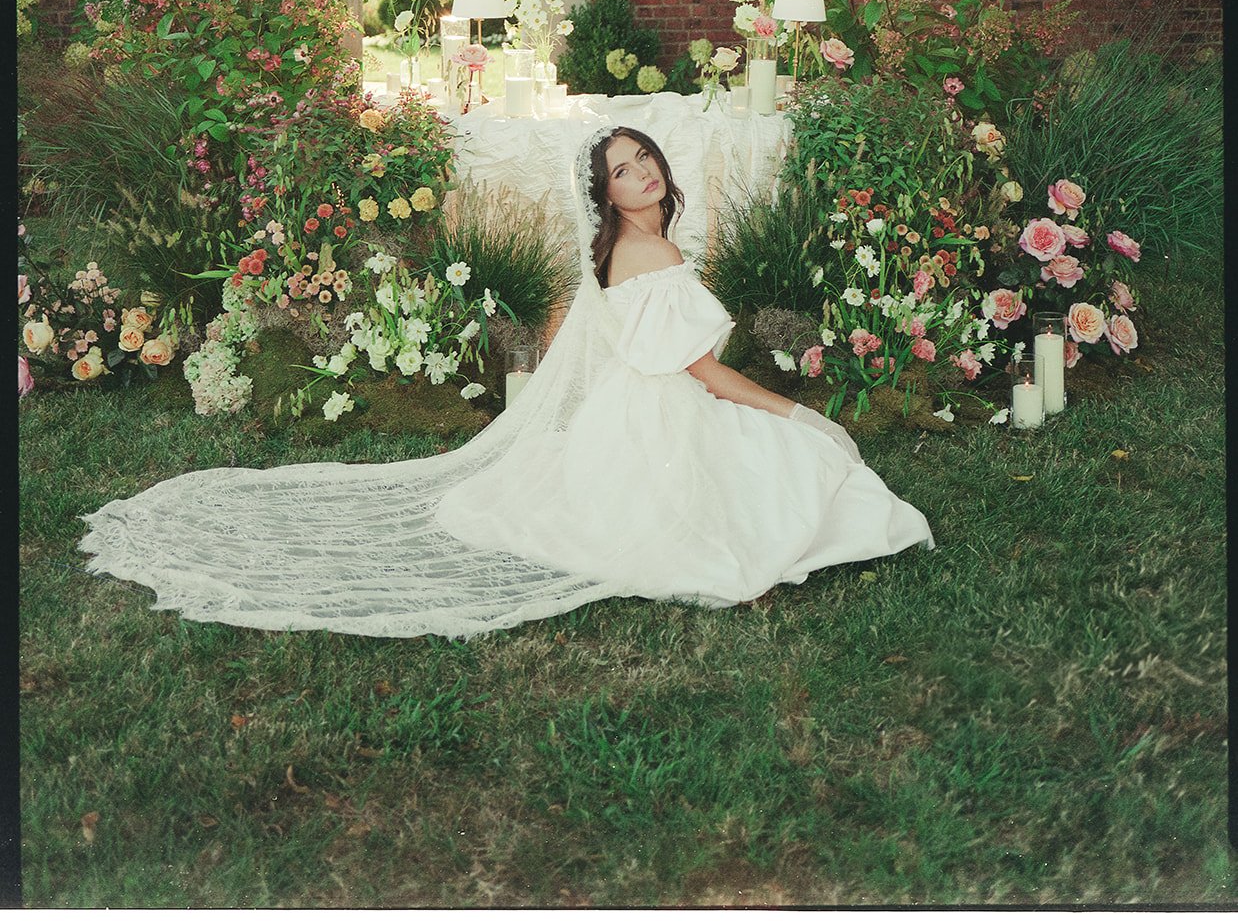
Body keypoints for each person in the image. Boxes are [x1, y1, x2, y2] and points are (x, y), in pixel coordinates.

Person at [79, 124, 932, 640]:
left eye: (645, 160)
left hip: (628, 413)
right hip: (663, 414)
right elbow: (704, 372)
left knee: (777, 463)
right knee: (802, 461)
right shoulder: (652, 252)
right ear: (608, 196)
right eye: (624, 172)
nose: (644, 174)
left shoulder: (626, 253)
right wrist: (798, 411)